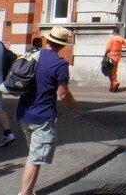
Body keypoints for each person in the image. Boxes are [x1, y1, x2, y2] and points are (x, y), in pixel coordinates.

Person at [17, 26, 78, 195]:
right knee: (35, 159)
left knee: (32, 154)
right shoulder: (60, 64)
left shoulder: (31, 56)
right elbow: (63, 93)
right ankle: (25, 193)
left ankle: (27, 192)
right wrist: (73, 104)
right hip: (42, 116)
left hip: (23, 113)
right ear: (63, 45)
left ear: (47, 40)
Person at [104, 27, 126, 93]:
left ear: (113, 32)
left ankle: (115, 83)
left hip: (111, 58)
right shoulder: (120, 38)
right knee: (114, 72)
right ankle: (112, 87)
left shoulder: (111, 39)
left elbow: (108, 48)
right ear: (118, 32)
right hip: (117, 58)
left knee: (110, 72)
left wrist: (104, 55)